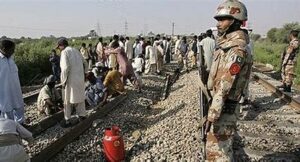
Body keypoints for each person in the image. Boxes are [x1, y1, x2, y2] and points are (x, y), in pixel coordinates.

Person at [204, 0, 252, 161]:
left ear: (235, 21)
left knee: (219, 153)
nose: (218, 23)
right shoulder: (227, 45)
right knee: (216, 149)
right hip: (220, 106)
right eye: (217, 20)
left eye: (222, 19)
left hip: (224, 108)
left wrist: (212, 113)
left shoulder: (237, 49)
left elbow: (225, 83)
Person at [58, 38, 88, 127]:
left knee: (67, 100)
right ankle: (82, 115)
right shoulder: (75, 50)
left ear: (61, 46)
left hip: (70, 80)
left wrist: (63, 81)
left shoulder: (64, 52)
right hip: (80, 79)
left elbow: (65, 68)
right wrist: (85, 73)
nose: (59, 49)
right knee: (80, 98)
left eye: (59, 47)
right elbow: (85, 63)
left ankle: (67, 119)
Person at [0, 39, 26, 125]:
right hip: (4, 90)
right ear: (4, 49)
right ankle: (10, 129)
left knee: (19, 106)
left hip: (15, 88)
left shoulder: (11, 58)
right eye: (12, 50)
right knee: (7, 109)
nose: (13, 51)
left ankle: (21, 124)